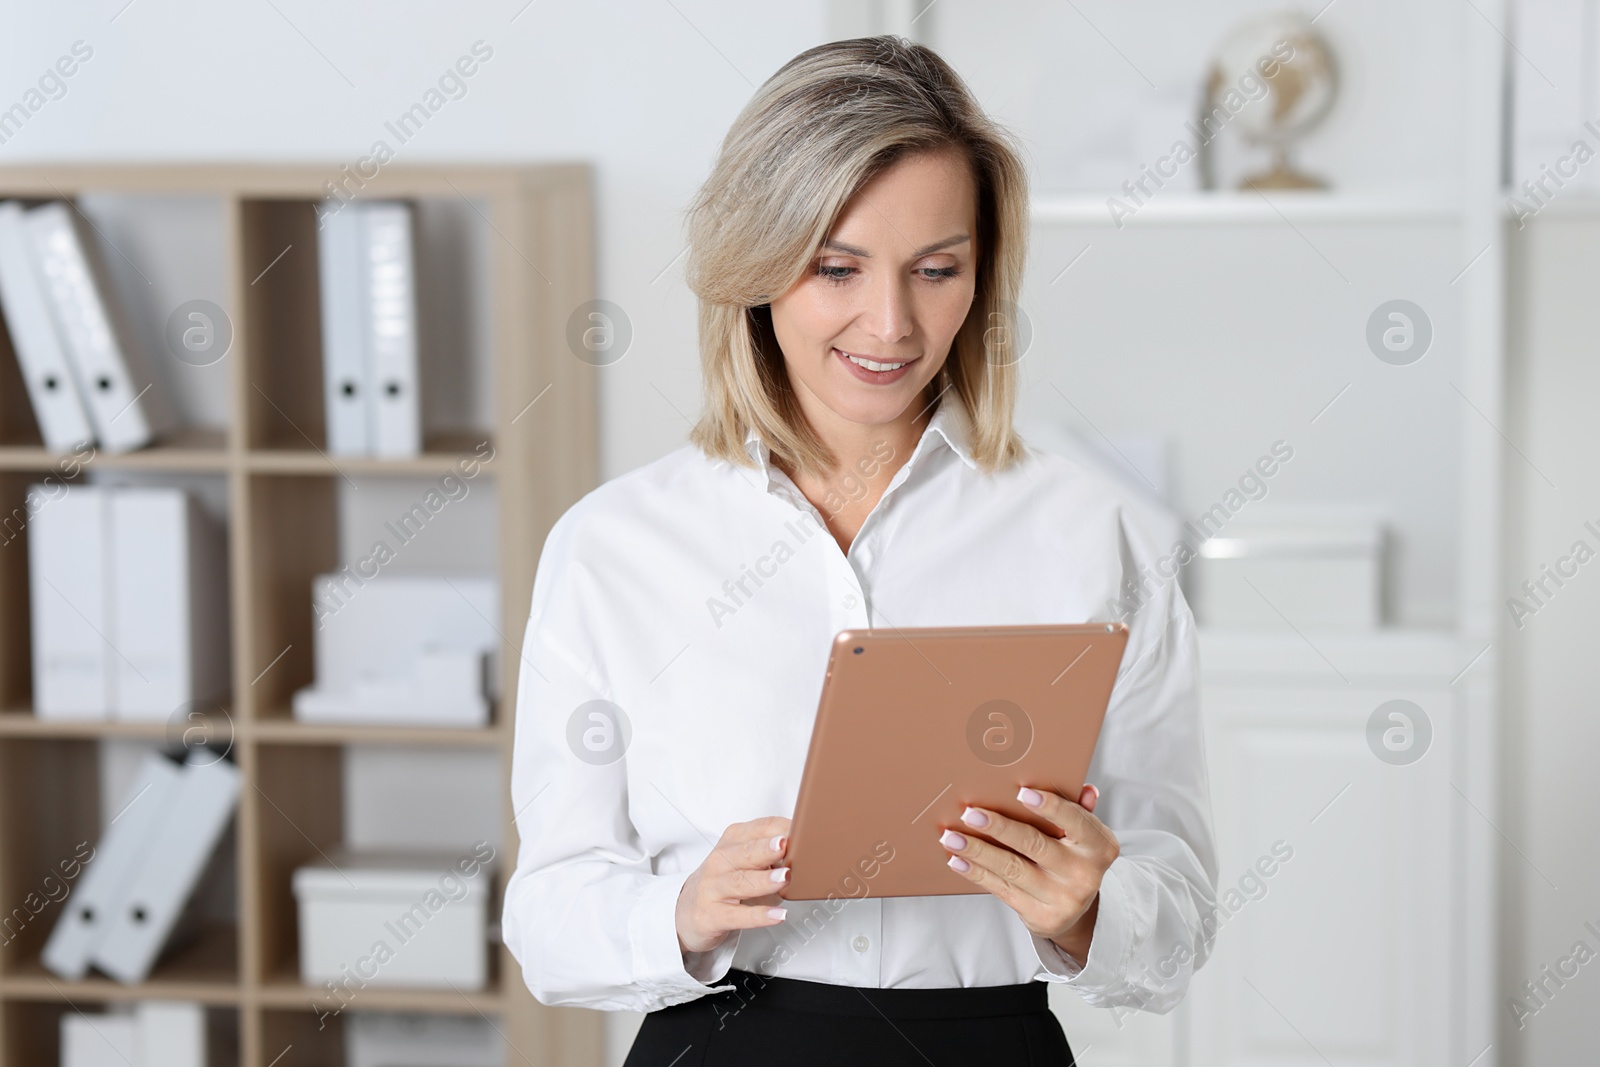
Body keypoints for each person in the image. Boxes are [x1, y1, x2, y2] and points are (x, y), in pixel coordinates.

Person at [502, 35, 1218, 1067]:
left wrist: (1091, 907)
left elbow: (1180, 914)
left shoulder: (1086, 534)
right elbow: (547, 921)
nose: (890, 324)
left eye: (937, 270)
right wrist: (681, 910)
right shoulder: (614, 548)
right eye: (836, 267)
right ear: (755, 261)